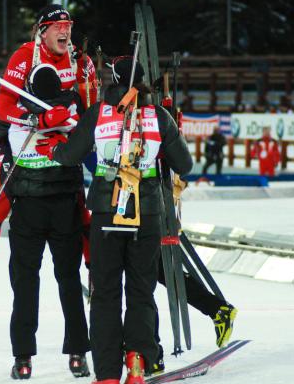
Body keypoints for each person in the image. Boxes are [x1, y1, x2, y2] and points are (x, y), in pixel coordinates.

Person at [36, 57, 193, 384]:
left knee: (106, 293)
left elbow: (69, 155)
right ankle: (137, 364)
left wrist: (52, 148)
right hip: (147, 213)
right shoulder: (159, 116)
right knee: (141, 290)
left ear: (115, 79)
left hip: (107, 212)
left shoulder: (98, 113)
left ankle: (107, 374)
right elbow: (186, 164)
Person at [0, 62, 94, 379]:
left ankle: (23, 359)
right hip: (66, 210)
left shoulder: (17, 116)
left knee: (25, 287)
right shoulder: (73, 112)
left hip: (26, 211)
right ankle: (78, 355)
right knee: (69, 283)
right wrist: (92, 258)